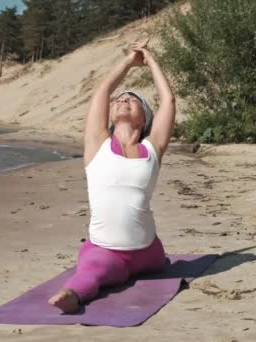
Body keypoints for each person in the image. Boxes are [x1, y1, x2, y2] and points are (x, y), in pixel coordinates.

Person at [49, 39, 176, 313]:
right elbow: (102, 92)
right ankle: (73, 295)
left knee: (157, 260)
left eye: (133, 99)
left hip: (148, 251)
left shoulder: (152, 148)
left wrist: (151, 60)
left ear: (145, 120)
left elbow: (168, 100)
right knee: (93, 272)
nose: (124, 99)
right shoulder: (98, 144)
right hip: (106, 251)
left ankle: (151, 262)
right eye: (121, 99)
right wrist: (130, 61)